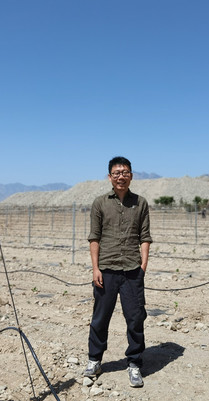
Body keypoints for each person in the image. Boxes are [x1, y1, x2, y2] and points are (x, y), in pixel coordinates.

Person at [83, 156, 153, 388]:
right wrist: (95, 268)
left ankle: (134, 363)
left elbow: (145, 237)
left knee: (135, 318)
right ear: (110, 177)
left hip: (133, 270)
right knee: (100, 318)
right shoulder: (100, 203)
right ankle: (95, 360)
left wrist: (142, 266)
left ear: (131, 175)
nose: (121, 176)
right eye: (116, 173)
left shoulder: (140, 203)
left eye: (125, 172)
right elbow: (95, 237)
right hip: (106, 270)